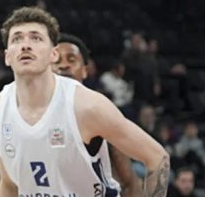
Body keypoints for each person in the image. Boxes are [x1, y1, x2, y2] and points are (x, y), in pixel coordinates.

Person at [0, 7, 170, 197]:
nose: (25, 45)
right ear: (7, 56)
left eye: (36, 38)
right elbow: (9, 184)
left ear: (53, 54)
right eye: (17, 39)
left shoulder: (87, 106)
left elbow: (156, 157)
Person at [54, 33, 142, 197]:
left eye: (71, 60)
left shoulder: (100, 112)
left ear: (85, 70)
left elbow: (131, 182)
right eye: (56, 61)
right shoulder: (28, 116)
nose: (64, 66)